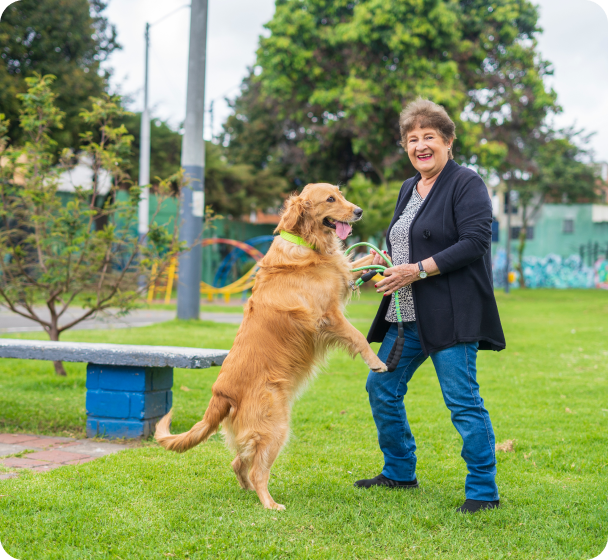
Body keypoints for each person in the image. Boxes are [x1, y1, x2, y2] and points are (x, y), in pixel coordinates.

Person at [354, 98, 506, 514]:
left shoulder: (466, 183)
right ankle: (400, 471)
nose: (421, 145)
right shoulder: (409, 187)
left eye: (429, 138)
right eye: (413, 139)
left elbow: (474, 243)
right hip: (406, 317)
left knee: (462, 401)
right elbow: (403, 245)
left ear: (448, 142)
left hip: (452, 315)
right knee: (381, 388)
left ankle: (482, 490)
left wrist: (416, 271)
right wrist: (379, 263)